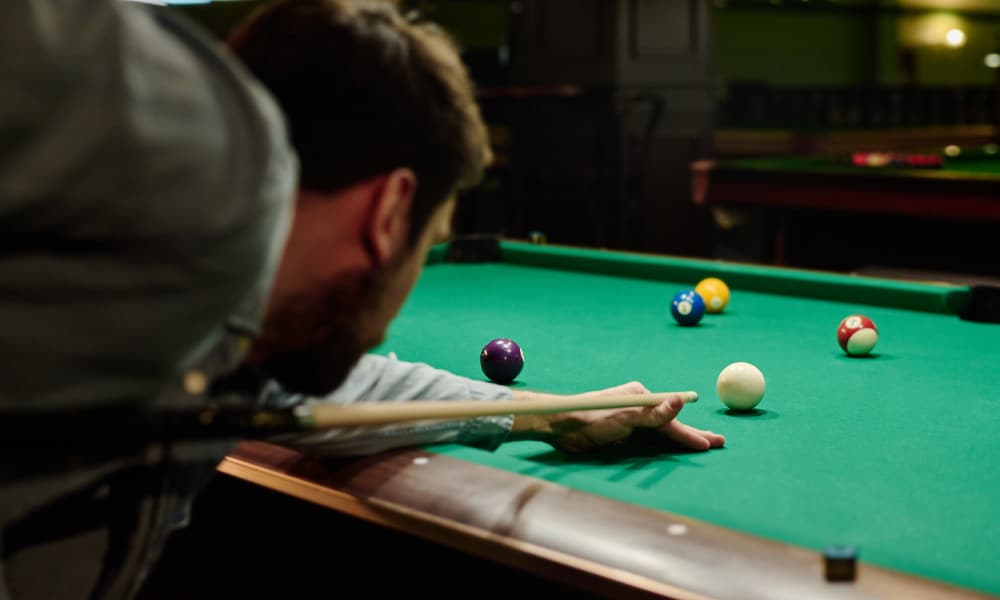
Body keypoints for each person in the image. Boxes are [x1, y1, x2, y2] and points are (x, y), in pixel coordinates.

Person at [0, 1, 723, 598]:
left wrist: (546, 415)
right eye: (426, 242)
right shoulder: (194, 137)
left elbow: (332, 391)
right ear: (389, 213)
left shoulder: (224, 316)